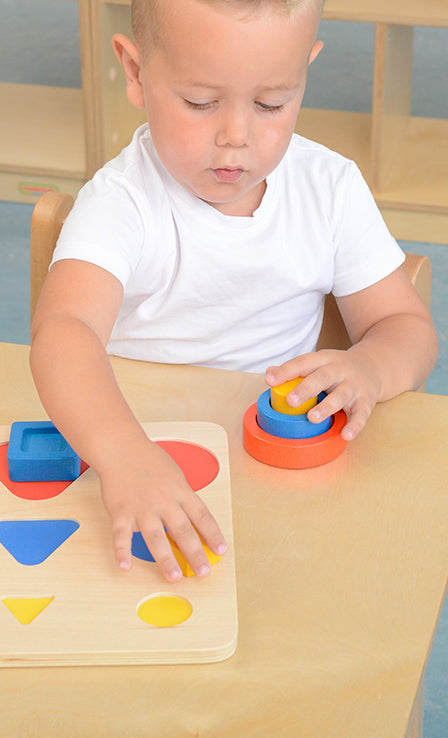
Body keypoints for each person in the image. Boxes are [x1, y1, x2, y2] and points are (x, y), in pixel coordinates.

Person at [29, 0, 438, 582]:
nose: (236, 137)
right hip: (130, 456)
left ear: (305, 70)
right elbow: (62, 332)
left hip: (278, 475)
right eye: (201, 102)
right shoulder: (122, 201)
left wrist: (370, 367)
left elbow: (407, 328)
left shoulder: (330, 189)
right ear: (137, 73)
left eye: (271, 103)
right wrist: (123, 456)